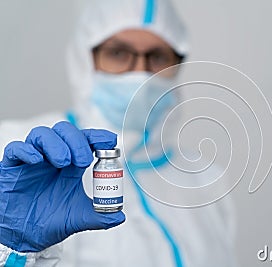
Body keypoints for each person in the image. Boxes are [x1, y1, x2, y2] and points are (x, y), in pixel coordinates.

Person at [0, 0, 237, 266]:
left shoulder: (204, 179)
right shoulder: (20, 153)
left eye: (158, 57)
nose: (139, 72)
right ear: (85, 58)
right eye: (118, 53)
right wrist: (12, 249)